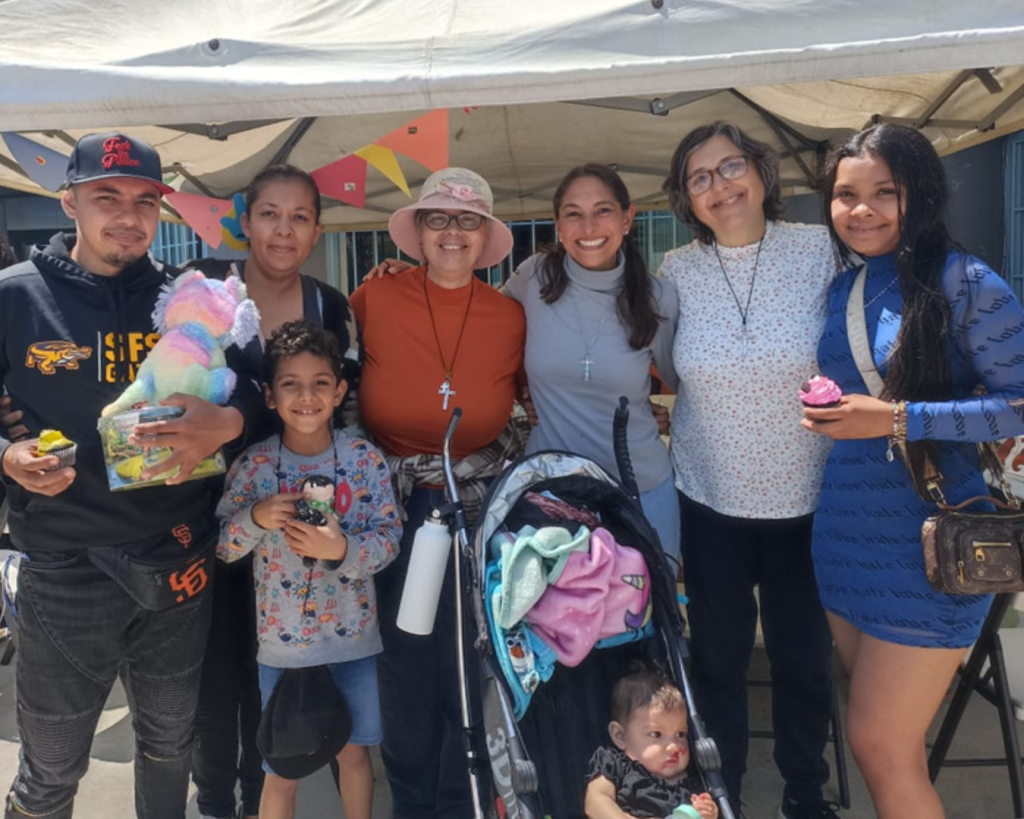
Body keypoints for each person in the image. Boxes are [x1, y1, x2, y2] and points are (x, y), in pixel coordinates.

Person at [0, 132, 264, 819]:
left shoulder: (189, 295)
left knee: (170, 744)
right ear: (70, 202)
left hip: (177, 557)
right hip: (64, 565)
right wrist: (7, 457)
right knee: (51, 767)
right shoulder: (15, 297)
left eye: (145, 201)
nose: (128, 215)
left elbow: (255, 389)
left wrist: (227, 422)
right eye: (106, 197)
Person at [801, 123, 1024, 819]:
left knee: (879, 742)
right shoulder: (843, 287)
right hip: (846, 533)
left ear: (919, 194)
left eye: (884, 192)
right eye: (846, 194)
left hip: (931, 539)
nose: (861, 209)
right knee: (885, 745)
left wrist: (896, 418)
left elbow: (1017, 406)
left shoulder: (966, 281)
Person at [660, 122, 837, 818]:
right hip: (710, 499)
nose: (720, 186)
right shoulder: (676, 270)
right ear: (686, 198)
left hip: (807, 498)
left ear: (762, 173)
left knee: (803, 662)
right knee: (717, 662)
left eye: (731, 166)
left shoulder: (820, 248)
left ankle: (805, 793)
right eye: (699, 177)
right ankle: (720, 792)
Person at [369, 164, 681, 558]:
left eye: (602, 211)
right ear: (558, 224)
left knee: (645, 598)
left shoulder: (658, 297)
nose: (588, 227)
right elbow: (474, 318)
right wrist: (417, 278)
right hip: (548, 493)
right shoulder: (534, 277)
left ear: (627, 218)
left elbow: (687, 387)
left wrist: (652, 411)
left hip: (639, 485)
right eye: (573, 214)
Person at [349, 167, 525, 819]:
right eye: (438, 218)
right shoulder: (373, 297)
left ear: (485, 235)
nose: (453, 232)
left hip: (477, 503)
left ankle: (463, 799)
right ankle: (412, 801)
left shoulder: (510, 314)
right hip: (390, 503)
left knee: (472, 655)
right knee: (404, 661)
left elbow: (527, 404)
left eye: (468, 219)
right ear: (418, 233)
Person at [187, 164, 362, 819]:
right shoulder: (206, 289)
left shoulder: (330, 307)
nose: (283, 231)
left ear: (317, 230)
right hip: (212, 515)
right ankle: (216, 803)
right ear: (245, 221)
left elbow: (349, 412)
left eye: (299, 217)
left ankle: (264, 796)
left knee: (278, 680)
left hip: (298, 528)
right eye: (269, 214)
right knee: (216, 677)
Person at [216, 320, 400, 819]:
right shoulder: (255, 467)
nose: (306, 397)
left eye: (320, 383)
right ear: (270, 396)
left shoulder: (364, 461)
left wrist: (343, 548)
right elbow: (223, 548)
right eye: (290, 384)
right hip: (284, 651)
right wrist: (256, 518)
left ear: (339, 391)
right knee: (281, 770)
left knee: (354, 756)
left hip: (354, 644)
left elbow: (389, 539)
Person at [584, 668, 717, 819]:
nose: (673, 747)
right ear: (620, 736)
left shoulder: (693, 784)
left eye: (680, 734)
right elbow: (596, 802)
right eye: (656, 734)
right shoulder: (615, 765)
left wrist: (708, 812)